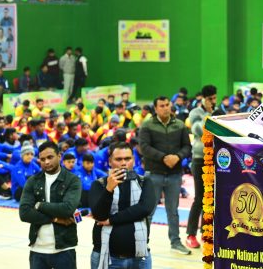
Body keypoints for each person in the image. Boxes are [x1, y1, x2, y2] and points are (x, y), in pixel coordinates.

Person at [138, 96, 192, 255]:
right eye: (161, 106)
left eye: (167, 105)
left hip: (174, 174)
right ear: (155, 109)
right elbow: (144, 147)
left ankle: (175, 242)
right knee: (149, 211)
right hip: (154, 173)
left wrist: (178, 157)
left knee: (173, 211)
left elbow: (187, 147)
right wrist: (164, 157)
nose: (165, 108)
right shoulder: (147, 125)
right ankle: (142, 243)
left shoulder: (180, 125)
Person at [90, 142, 155, 269]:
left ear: (133, 160)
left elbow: (144, 208)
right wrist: (109, 189)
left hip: (139, 257)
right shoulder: (99, 184)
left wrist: (111, 220)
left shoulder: (144, 182)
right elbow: (99, 215)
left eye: (127, 159)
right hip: (107, 256)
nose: (123, 163)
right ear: (110, 161)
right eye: (118, 159)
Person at [19, 140, 82, 268]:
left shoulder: (72, 180)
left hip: (64, 248)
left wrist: (39, 205)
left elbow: (67, 209)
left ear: (59, 156)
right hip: (37, 249)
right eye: (42, 159)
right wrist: (55, 219)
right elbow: (24, 213)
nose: (46, 162)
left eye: (50, 157)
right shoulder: (32, 181)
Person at [186, 84, 217, 249]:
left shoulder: (219, 112)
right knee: (199, 198)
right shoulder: (195, 113)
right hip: (199, 159)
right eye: (210, 99)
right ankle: (190, 234)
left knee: (211, 198)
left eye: (215, 98)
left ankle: (207, 232)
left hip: (215, 159)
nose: (213, 101)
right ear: (204, 99)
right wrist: (208, 113)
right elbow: (199, 130)